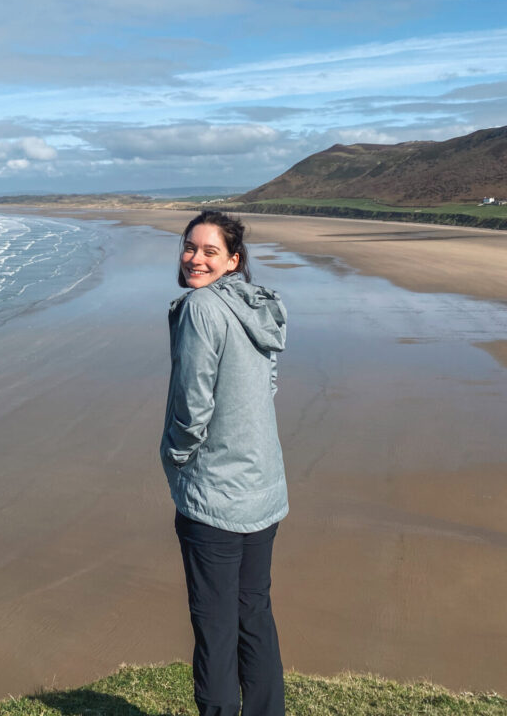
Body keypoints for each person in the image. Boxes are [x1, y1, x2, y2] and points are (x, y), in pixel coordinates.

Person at [160, 210, 288, 716]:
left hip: (214, 496)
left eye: (210, 251)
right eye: (190, 248)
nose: (195, 258)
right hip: (263, 490)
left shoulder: (201, 309)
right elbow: (269, 385)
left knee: (214, 629)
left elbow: (192, 406)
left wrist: (175, 456)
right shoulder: (259, 305)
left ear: (233, 260)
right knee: (253, 615)